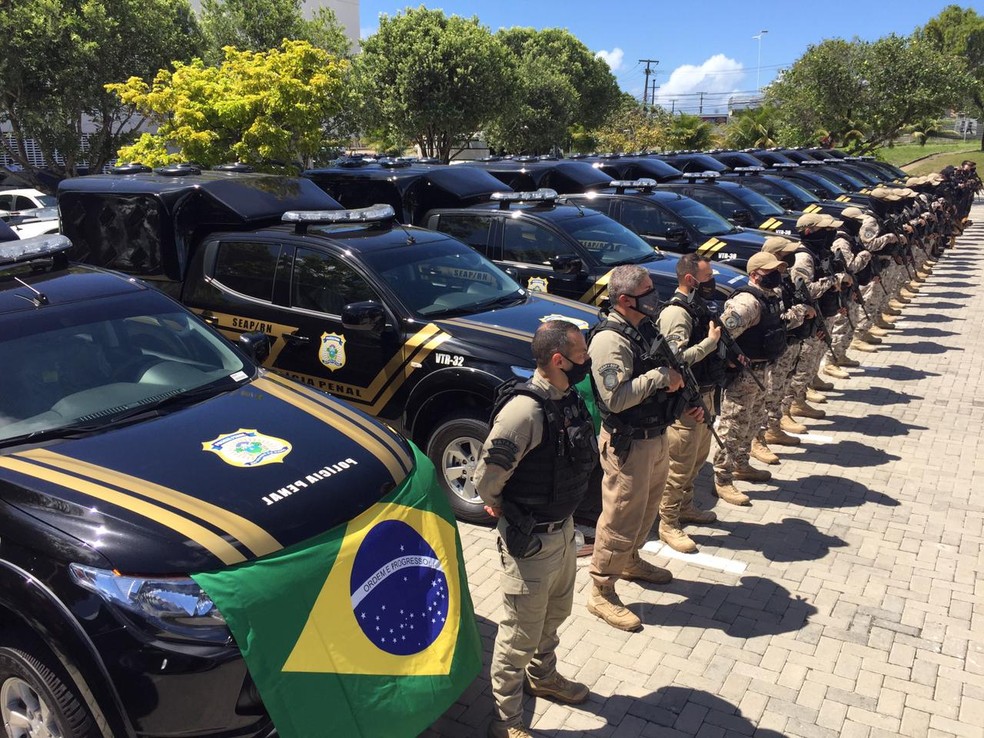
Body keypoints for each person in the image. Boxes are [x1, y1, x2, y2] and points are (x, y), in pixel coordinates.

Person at [474, 320, 598, 738]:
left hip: (562, 534)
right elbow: (487, 479)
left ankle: (544, 677)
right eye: (582, 355)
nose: (587, 361)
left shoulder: (567, 398)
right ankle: (506, 721)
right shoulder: (524, 411)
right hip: (530, 541)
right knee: (518, 636)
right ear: (559, 360)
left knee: (555, 614)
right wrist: (497, 505)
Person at [586, 265, 686, 632]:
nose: (654, 297)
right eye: (646, 292)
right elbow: (615, 398)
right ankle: (601, 589)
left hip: (655, 435)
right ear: (626, 300)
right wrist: (660, 378)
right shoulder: (611, 341)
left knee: (646, 509)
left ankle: (629, 559)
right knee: (621, 517)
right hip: (628, 444)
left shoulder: (642, 326)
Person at [713, 252, 801, 504]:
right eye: (770, 271)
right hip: (744, 375)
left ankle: (741, 464)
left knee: (752, 421)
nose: (777, 275)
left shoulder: (770, 297)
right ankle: (722, 478)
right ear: (754, 274)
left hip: (763, 371)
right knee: (733, 426)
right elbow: (721, 334)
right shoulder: (746, 303)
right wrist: (729, 359)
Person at [655, 254, 723, 553]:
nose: (712, 283)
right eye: (707, 278)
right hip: (685, 402)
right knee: (679, 465)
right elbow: (675, 361)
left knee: (697, 458)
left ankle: (685, 506)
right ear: (690, 279)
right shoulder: (675, 314)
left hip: (704, 393)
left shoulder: (696, 306)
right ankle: (668, 522)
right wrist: (709, 343)